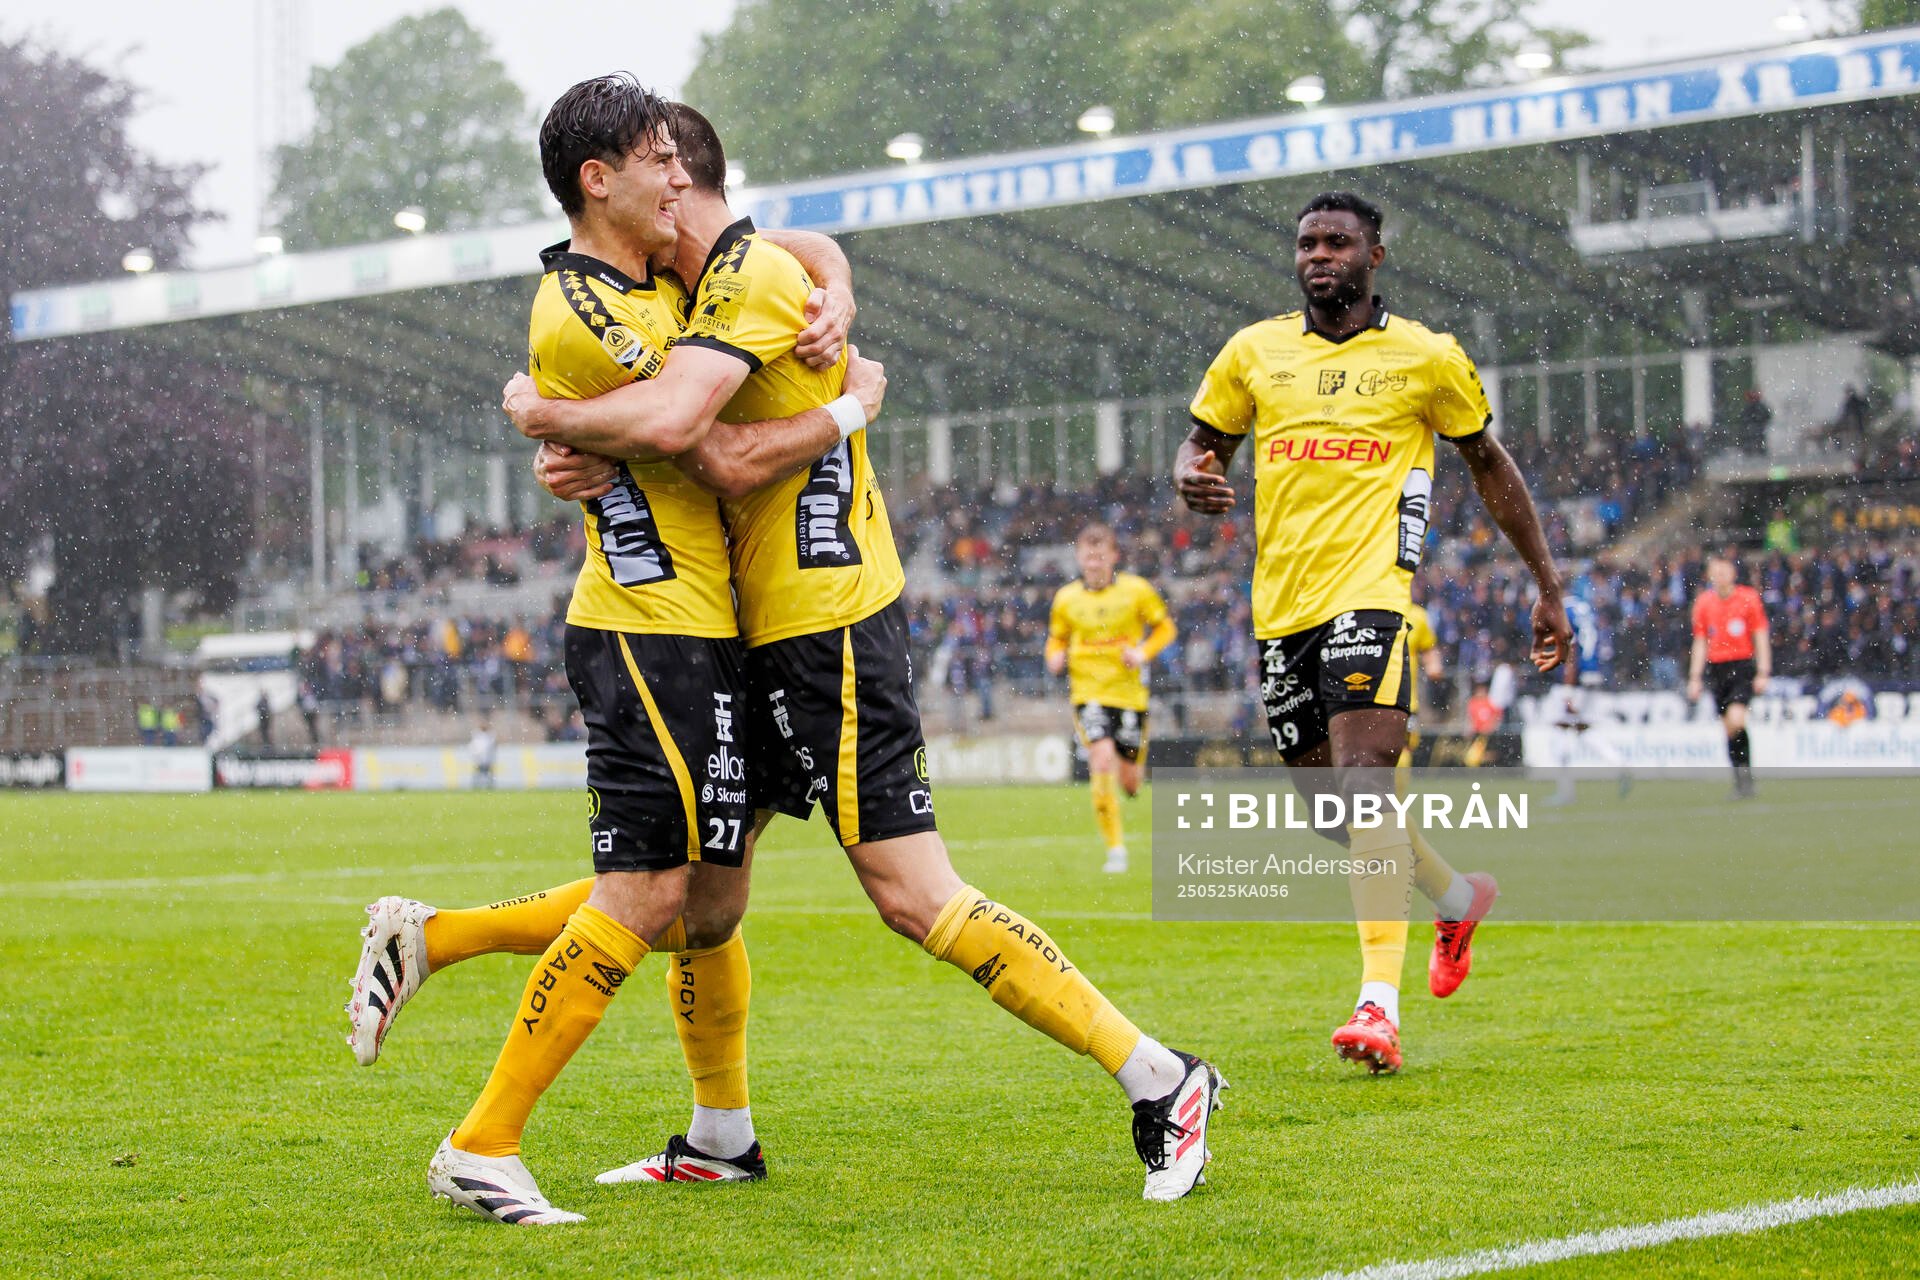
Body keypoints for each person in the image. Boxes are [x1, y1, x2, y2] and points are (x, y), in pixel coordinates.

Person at [359, 98, 1222, 1206]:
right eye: (649, 168)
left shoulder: (747, 280)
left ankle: (1161, 1077)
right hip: (761, 633)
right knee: (694, 898)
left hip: (832, 621)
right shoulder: (701, 282)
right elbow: (799, 264)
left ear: (684, 186)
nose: (662, 190)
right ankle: (715, 1132)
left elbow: (707, 450)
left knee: (913, 894)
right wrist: (574, 425)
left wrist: (551, 415)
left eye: (671, 172)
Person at [343, 77, 884, 1228]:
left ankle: (704, 1127)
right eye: (658, 165)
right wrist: (552, 417)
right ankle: (482, 1139)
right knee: (647, 892)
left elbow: (779, 244)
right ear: (602, 180)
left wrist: (829, 287)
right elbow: (685, 429)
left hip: (706, 629)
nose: (677, 184)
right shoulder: (580, 309)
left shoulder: (645, 279)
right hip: (650, 629)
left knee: (706, 903)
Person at [1176, 190, 1570, 1074]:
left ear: (1374, 256)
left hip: (1373, 596)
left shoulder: (1428, 357)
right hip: (1280, 607)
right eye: (1309, 242)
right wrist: (1191, 477)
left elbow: (1489, 465)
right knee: (1335, 816)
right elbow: (1200, 444)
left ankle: (1376, 1007)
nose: (1320, 255)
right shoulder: (1253, 351)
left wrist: (1548, 585)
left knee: (1362, 791)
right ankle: (1459, 898)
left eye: (1338, 242)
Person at [1045, 523, 1177, 873]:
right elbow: (1056, 638)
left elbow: (1166, 627)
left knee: (1131, 782)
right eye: (1088, 557)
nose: (1094, 564)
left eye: (1100, 557)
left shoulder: (1136, 591)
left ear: (1114, 557)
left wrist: (1143, 653)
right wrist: (1054, 656)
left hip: (1130, 696)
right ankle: (1116, 850)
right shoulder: (1066, 599)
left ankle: (1129, 778)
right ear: (1078, 558)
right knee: (1101, 759)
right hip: (1088, 693)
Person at [1687, 553, 1770, 799]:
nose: (1720, 576)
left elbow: (1761, 635)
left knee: (1736, 720)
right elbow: (1701, 641)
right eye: (1715, 572)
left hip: (1742, 666)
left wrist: (1764, 670)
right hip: (1717, 669)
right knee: (1728, 729)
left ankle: (1745, 778)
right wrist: (1695, 676)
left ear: (1733, 573)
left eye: (1724, 571)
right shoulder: (1704, 603)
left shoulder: (1748, 598)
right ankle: (1742, 781)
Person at [468, 719, 497, 790]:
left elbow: (491, 747)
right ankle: (476, 786)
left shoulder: (489, 736)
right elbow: (474, 747)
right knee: (480, 774)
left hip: (486, 759)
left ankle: (488, 786)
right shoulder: (477, 736)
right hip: (480, 759)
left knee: (487, 774)